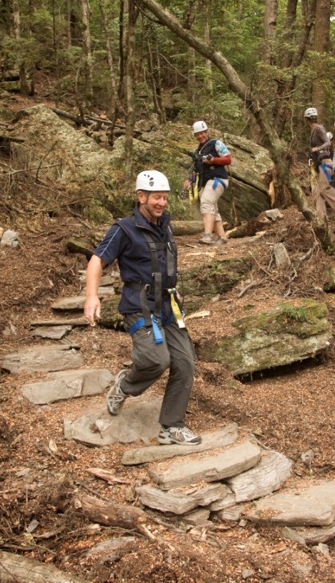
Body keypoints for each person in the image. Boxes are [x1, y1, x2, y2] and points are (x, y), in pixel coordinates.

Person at [84, 170, 201, 446]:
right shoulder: (124, 229)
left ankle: (171, 428)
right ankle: (124, 386)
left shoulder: (166, 227)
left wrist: (173, 288)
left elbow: (165, 264)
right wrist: (92, 296)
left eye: (164, 197)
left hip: (168, 306)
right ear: (141, 197)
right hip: (139, 305)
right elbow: (96, 261)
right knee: (157, 360)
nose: (162, 203)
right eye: (156, 197)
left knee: (185, 362)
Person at [184, 120, 231, 245]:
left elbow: (228, 159)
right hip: (204, 182)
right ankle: (222, 237)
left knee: (206, 202)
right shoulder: (197, 151)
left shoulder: (216, 144)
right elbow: (196, 169)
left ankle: (208, 235)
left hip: (218, 179)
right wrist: (190, 180)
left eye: (202, 133)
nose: (200, 136)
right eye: (197, 134)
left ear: (207, 132)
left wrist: (213, 160)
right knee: (212, 208)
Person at [304, 107, 335, 219]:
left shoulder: (319, 128)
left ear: (307, 119)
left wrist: (317, 148)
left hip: (325, 162)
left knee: (324, 188)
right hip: (317, 165)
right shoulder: (313, 131)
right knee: (316, 192)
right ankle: (321, 218)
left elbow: (328, 143)